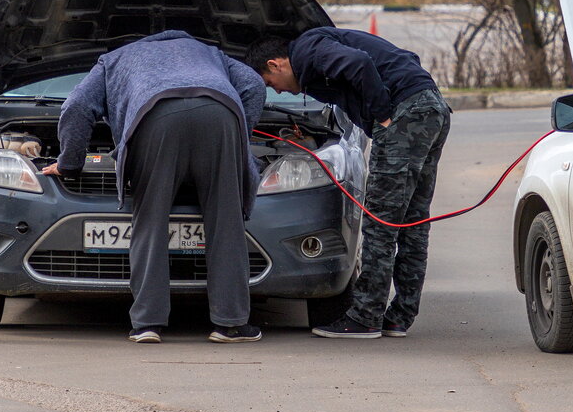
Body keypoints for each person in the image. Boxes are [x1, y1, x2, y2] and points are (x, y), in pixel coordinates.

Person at [42, 30, 266, 344]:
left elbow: (77, 106)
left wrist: (69, 164)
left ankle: (147, 323)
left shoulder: (115, 58)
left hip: (155, 115)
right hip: (219, 111)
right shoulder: (208, 50)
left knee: (150, 220)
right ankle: (231, 324)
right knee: (226, 221)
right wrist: (240, 134)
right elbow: (254, 86)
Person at [245, 28, 451, 339]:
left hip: (406, 114)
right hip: (430, 108)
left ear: (275, 65)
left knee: (380, 221)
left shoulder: (308, 50)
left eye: (271, 85)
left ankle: (366, 317)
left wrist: (382, 115)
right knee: (413, 220)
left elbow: (359, 64)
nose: (281, 93)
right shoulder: (316, 54)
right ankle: (399, 316)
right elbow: (404, 60)